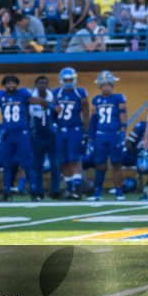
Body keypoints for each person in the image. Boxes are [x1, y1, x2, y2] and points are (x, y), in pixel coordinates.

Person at [0, 75, 45, 201]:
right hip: (7, 134)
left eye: (13, 83)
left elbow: (37, 101)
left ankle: (34, 191)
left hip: (22, 134)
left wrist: (49, 105)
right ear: (5, 85)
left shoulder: (23, 94)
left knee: (27, 163)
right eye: (8, 83)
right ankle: (7, 192)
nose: (10, 85)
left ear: (16, 84)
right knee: (6, 164)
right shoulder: (1, 96)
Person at [52, 67, 90, 199]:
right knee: (64, 161)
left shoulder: (80, 93)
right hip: (60, 129)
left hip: (75, 129)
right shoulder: (56, 93)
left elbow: (86, 114)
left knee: (74, 159)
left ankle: (77, 188)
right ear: (61, 80)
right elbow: (52, 112)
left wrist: (86, 132)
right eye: (66, 79)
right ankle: (69, 189)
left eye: (70, 79)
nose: (68, 82)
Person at [89, 71, 126, 201]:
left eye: (108, 85)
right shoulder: (96, 100)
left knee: (116, 163)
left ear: (112, 85)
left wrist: (123, 134)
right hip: (100, 135)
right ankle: (97, 191)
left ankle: (119, 191)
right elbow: (93, 121)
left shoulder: (118, 98)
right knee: (100, 164)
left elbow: (123, 117)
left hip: (114, 135)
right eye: (103, 85)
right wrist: (91, 139)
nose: (106, 87)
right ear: (100, 86)